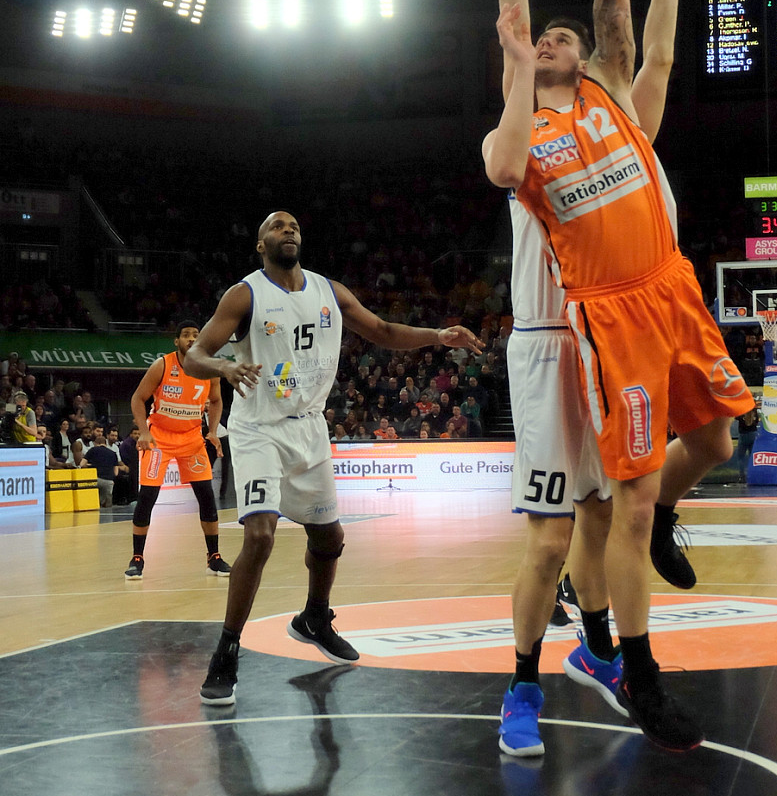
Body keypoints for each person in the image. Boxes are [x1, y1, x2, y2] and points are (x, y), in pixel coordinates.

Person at [484, 0, 755, 755]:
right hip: (577, 330)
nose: (558, 38)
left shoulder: (617, 97)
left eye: (567, 39)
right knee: (568, 529)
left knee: (698, 452)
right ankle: (564, 675)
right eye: (543, 39)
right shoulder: (523, 132)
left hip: (665, 292)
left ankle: (603, 634)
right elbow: (516, 52)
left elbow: (617, 0)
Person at [183, 210, 482, 707]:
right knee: (260, 535)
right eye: (277, 226)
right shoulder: (245, 295)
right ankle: (226, 652)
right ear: (260, 245)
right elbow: (194, 357)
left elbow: (382, 329)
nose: (289, 230)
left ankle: (315, 618)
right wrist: (223, 366)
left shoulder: (330, 291)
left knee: (330, 537)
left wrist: (437, 335)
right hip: (259, 429)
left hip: (310, 426)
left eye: (294, 226)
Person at [124, 318, 228, 580]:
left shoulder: (209, 369)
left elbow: (216, 401)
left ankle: (214, 557)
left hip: (192, 439)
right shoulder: (162, 365)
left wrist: (212, 430)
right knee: (147, 497)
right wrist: (144, 431)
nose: (191, 338)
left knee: (207, 496)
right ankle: (137, 558)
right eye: (186, 335)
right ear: (177, 341)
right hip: (159, 438)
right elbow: (137, 398)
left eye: (196, 334)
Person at [84, 425, 128, 508]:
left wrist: (90, 466)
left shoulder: (92, 449)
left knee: (94, 504)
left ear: (95, 443)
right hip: (109, 481)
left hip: (95, 479)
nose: (114, 437)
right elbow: (116, 472)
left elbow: (82, 464)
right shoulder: (113, 453)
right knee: (107, 506)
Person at [736, 405, 759, 484]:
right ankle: (753, 476)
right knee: (752, 456)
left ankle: (742, 476)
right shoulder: (754, 409)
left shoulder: (741, 409)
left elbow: (736, 417)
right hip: (753, 434)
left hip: (743, 434)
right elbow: (757, 421)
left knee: (741, 457)